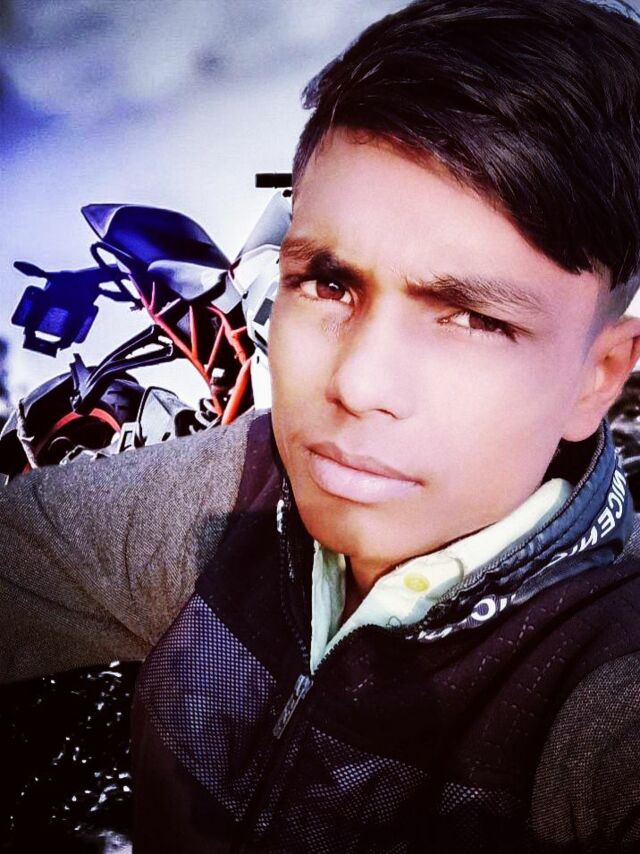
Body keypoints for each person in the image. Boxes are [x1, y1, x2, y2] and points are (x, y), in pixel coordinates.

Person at [2, 0, 640, 850]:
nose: (356, 383)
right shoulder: (228, 491)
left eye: (473, 318)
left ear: (598, 376)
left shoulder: (606, 692)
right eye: (328, 283)